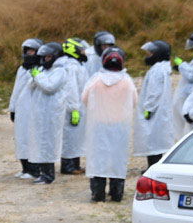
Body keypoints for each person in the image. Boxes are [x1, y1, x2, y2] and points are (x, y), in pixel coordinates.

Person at [82, 47, 137, 202]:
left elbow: (84, 99)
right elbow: (134, 101)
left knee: (98, 158)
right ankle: (116, 192)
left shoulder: (96, 80)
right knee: (117, 159)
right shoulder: (127, 81)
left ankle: (98, 192)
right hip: (120, 127)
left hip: (99, 125)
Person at [27, 41, 71, 184]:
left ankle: (49, 175)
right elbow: (32, 86)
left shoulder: (61, 71)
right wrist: (35, 75)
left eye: (47, 57)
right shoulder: (46, 70)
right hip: (41, 113)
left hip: (52, 113)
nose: (44, 60)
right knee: (41, 142)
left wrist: (37, 76)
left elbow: (49, 87)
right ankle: (43, 172)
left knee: (49, 144)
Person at [134, 40, 175, 167]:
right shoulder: (162, 68)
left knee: (152, 140)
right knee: (156, 140)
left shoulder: (157, 70)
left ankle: (153, 168)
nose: (148, 55)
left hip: (154, 111)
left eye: (151, 53)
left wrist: (149, 108)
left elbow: (154, 91)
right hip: (159, 111)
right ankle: (153, 166)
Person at [9, 38, 43, 178]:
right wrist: (12, 107)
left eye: (32, 51)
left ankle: (35, 169)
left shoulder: (40, 69)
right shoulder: (21, 69)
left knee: (31, 139)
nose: (29, 54)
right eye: (27, 51)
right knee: (21, 138)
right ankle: (25, 168)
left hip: (32, 109)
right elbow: (16, 90)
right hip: (21, 109)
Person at [58, 38, 89, 175]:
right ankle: (67, 166)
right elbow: (71, 89)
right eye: (81, 50)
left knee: (77, 137)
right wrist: (73, 108)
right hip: (72, 107)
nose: (83, 52)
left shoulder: (77, 65)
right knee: (69, 137)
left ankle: (76, 164)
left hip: (80, 106)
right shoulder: (70, 67)